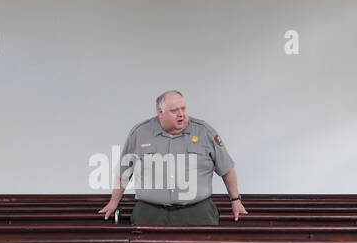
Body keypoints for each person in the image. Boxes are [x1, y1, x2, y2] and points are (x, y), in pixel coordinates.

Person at [98, 91, 247, 225]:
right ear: (160, 112)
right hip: (150, 213)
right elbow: (124, 172)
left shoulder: (204, 132)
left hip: (197, 213)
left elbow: (227, 169)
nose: (181, 114)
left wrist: (235, 200)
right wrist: (113, 203)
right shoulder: (140, 133)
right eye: (174, 111)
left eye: (183, 108)